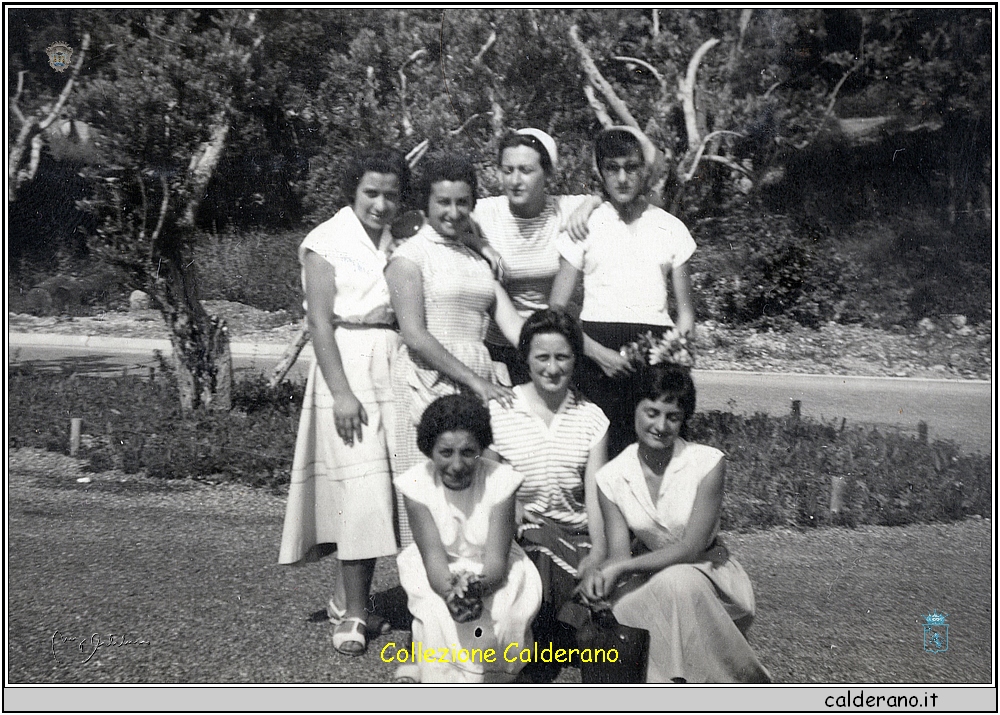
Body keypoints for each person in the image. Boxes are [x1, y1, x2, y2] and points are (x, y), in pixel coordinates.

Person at [278, 149, 408, 656]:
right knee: (361, 488)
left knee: (379, 490)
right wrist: (342, 392)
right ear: (352, 191)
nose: (380, 204)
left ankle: (343, 595)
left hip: (391, 361)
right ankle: (354, 612)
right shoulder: (325, 241)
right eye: (371, 193)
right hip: (347, 366)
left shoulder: (404, 236)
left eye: (391, 195)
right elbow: (319, 324)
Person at [578, 363, 771, 683]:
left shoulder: (707, 462)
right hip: (649, 579)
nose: (661, 425)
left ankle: (742, 684)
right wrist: (601, 581)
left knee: (679, 583)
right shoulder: (610, 476)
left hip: (711, 575)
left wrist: (620, 570)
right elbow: (619, 557)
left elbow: (692, 547)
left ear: (684, 420)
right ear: (635, 410)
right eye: (651, 412)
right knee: (623, 613)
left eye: (673, 417)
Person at [386, 153, 525, 545]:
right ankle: (425, 592)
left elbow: (513, 326)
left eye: (461, 202)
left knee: (474, 495)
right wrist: (476, 383)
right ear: (426, 205)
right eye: (442, 202)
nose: (452, 211)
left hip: (476, 376)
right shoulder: (408, 257)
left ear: (473, 204)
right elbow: (414, 334)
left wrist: (562, 358)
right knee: (428, 490)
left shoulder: (477, 258)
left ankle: (474, 588)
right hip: (427, 377)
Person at [549, 125, 696, 458]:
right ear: (601, 173)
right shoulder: (584, 226)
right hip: (596, 352)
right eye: (612, 169)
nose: (623, 178)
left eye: (631, 167)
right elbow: (557, 309)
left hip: (657, 351)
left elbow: (686, 312)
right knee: (602, 453)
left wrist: (677, 359)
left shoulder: (670, 228)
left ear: (644, 170)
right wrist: (598, 353)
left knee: (660, 449)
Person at [486, 308, 608, 671]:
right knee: (536, 545)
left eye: (562, 357)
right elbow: (486, 481)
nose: (552, 368)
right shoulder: (500, 409)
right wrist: (508, 502)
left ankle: (556, 629)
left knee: (600, 570)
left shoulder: (592, 417)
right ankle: (559, 629)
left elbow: (596, 496)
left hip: (576, 532)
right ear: (525, 358)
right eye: (542, 357)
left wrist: (600, 551)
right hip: (523, 534)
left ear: (575, 359)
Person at [393, 394, 542, 683]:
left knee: (502, 611)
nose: (458, 464)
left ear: (481, 449)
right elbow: (434, 559)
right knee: (438, 611)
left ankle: (496, 677)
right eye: (446, 452)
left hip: (490, 567)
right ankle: (437, 675)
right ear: (429, 450)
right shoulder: (416, 485)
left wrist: (477, 589)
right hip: (439, 568)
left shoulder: (501, 481)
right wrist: (451, 594)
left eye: (468, 452)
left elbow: (497, 563)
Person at [470, 129, 602, 385]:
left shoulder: (566, 208)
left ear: (548, 173)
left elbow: (617, 197)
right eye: (507, 171)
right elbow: (439, 222)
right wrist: (478, 243)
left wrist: (591, 203)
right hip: (502, 346)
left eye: (526, 170)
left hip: (558, 345)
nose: (515, 180)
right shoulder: (486, 213)